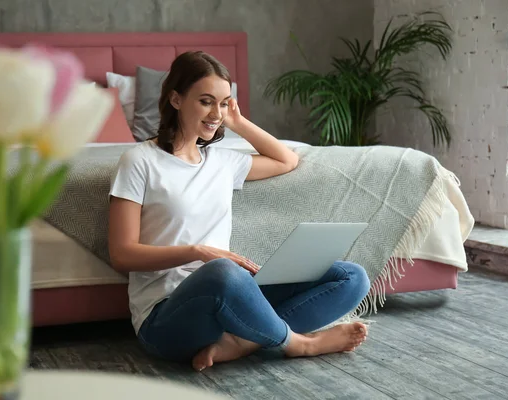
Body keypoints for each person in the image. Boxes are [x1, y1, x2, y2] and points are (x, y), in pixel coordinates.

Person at [108, 51, 371, 372]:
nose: (215, 113)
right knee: (224, 272)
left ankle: (241, 342)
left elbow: (287, 160)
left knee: (351, 276)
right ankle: (299, 343)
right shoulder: (139, 161)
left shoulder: (222, 161)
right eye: (206, 101)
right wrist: (198, 252)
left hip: (233, 297)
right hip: (166, 317)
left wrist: (237, 121)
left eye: (223, 102)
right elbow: (122, 254)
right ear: (175, 99)